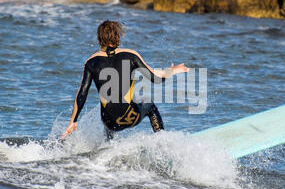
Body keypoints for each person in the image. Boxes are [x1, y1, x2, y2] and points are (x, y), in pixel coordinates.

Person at [61, 20, 189, 140]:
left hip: (109, 122)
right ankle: (162, 141)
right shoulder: (131, 55)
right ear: (118, 37)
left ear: (100, 39)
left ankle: (108, 149)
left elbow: (82, 94)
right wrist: (172, 70)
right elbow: (155, 78)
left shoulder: (90, 62)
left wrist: (73, 121)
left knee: (107, 109)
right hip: (129, 117)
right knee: (150, 106)